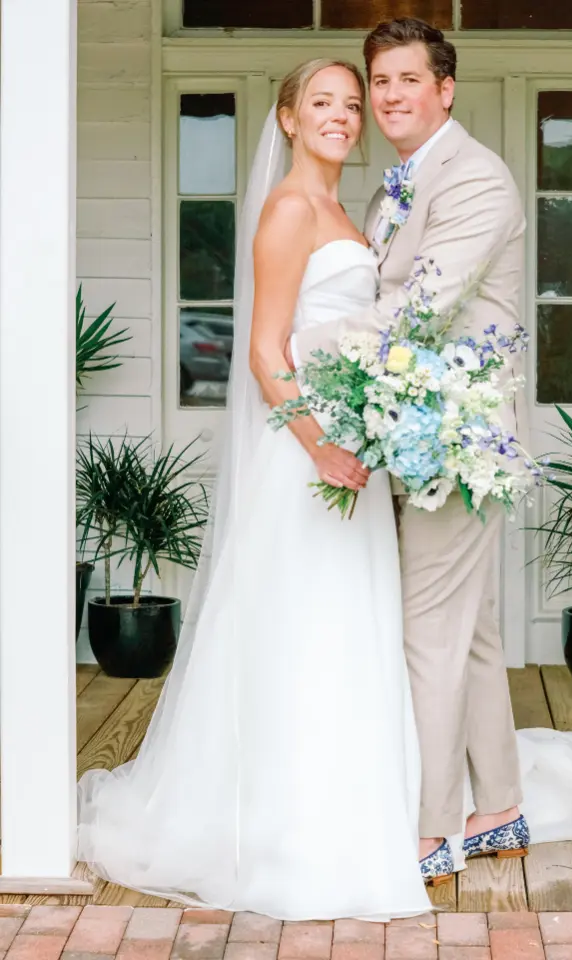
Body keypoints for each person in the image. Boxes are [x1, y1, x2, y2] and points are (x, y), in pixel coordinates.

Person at [76, 57, 431, 921]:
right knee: (299, 621)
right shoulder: (288, 210)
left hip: (348, 451)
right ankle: (284, 828)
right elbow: (266, 354)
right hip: (305, 459)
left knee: (347, 623)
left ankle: (351, 808)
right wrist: (321, 448)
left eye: (352, 105)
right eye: (323, 103)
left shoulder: (350, 210)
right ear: (287, 118)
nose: (343, 116)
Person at [287, 18, 529, 882]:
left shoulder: (475, 181)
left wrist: (301, 342)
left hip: (458, 441)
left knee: (429, 632)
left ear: (445, 89)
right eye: (377, 81)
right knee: (469, 634)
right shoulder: (403, 181)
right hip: (417, 429)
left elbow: (417, 310)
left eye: (405, 80)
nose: (387, 97)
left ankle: (430, 833)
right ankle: (497, 805)